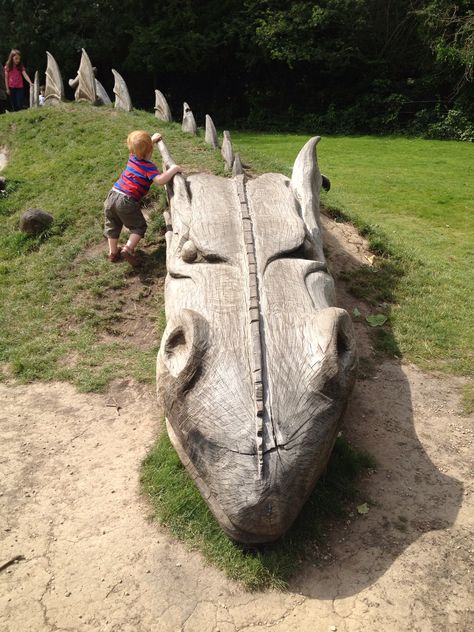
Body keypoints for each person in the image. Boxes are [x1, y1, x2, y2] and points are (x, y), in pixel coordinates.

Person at [104, 130, 182, 266]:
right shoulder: (148, 167)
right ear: (150, 150)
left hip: (112, 195)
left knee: (113, 224)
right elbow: (160, 180)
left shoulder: (132, 157)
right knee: (138, 227)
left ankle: (113, 252)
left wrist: (151, 140)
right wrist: (173, 169)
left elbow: (140, 149)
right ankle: (128, 248)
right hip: (127, 200)